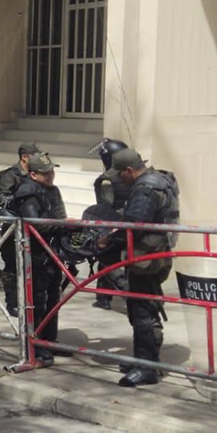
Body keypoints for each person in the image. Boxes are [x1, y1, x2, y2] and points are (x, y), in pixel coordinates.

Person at [99, 148, 180, 388]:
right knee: (142, 307)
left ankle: (148, 367)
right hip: (157, 253)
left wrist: (109, 240)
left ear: (129, 170)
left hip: (147, 257)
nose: (118, 180)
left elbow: (136, 225)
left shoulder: (146, 189)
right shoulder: (161, 180)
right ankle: (143, 358)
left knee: (143, 311)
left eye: (119, 175)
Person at [8, 154, 67, 365]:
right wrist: (63, 226)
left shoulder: (53, 190)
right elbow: (34, 224)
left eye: (52, 171)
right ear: (33, 174)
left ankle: (50, 340)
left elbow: (59, 217)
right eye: (46, 173)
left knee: (54, 298)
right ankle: (36, 343)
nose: (51, 175)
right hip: (35, 253)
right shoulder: (27, 191)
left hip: (53, 251)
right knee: (37, 301)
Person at [0, 142, 43, 316]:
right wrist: (20, 200)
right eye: (34, 156)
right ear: (24, 157)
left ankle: (32, 301)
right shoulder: (10, 175)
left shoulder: (36, 174)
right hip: (13, 227)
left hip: (32, 226)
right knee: (12, 266)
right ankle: (12, 302)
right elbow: (0, 199)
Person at [89, 138, 132, 310]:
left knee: (108, 259)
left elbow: (105, 206)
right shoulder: (129, 175)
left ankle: (105, 296)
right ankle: (104, 296)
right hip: (128, 222)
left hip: (115, 224)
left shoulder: (106, 180)